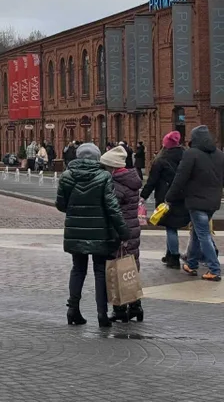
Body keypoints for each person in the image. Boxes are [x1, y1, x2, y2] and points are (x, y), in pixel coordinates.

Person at [56, 143, 129, 328]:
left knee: (78, 270)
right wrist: (123, 231)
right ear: (97, 158)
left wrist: (75, 210)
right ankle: (102, 314)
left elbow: (60, 205)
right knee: (99, 272)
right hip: (101, 231)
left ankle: (73, 310)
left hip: (75, 231)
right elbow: (112, 207)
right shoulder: (104, 176)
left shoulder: (66, 177)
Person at [166, 125, 224, 282]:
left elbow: (180, 177)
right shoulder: (219, 154)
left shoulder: (191, 154)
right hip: (213, 202)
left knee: (203, 234)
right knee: (199, 234)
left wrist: (170, 196)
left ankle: (214, 269)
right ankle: (191, 264)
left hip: (196, 201)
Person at [100, 145, 144, 323]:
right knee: (131, 268)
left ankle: (119, 309)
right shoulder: (131, 179)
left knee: (117, 268)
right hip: (132, 230)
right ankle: (136, 306)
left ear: (112, 167)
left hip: (120, 232)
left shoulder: (117, 184)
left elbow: (111, 209)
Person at [141, 131, 189, 268]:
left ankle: (173, 257)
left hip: (166, 198)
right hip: (183, 197)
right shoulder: (186, 156)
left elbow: (152, 181)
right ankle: (169, 254)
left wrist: (143, 196)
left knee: (171, 228)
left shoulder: (161, 160)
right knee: (174, 226)